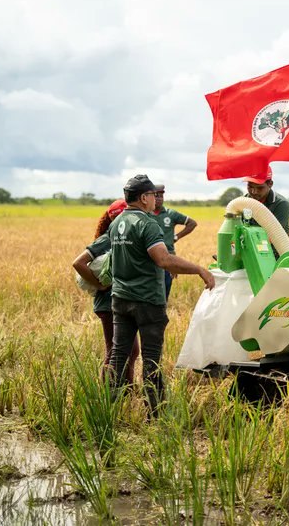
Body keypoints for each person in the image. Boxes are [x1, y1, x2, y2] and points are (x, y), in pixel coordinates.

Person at [109, 174, 215, 416]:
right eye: (152, 195)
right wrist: (199, 269)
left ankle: (108, 407)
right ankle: (155, 413)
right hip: (147, 301)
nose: (155, 199)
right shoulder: (147, 224)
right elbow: (164, 259)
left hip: (120, 299)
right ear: (143, 198)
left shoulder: (117, 223)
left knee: (118, 355)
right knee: (151, 359)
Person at [72, 199, 140, 383]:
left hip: (121, 302)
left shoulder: (125, 237)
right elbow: (78, 263)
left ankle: (126, 389)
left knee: (131, 351)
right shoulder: (109, 237)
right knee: (114, 350)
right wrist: (100, 285)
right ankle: (108, 392)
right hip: (108, 304)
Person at [149, 183, 197, 300]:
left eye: (161, 196)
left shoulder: (170, 214)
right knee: (149, 294)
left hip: (168, 260)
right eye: (156, 196)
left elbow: (192, 223)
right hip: (149, 260)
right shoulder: (146, 214)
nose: (159, 199)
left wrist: (176, 237)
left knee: (164, 294)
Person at [244, 166, 289, 236]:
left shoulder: (281, 204)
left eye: (260, 188)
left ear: (270, 184)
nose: (254, 192)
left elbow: (275, 235)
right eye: (250, 187)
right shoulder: (242, 202)